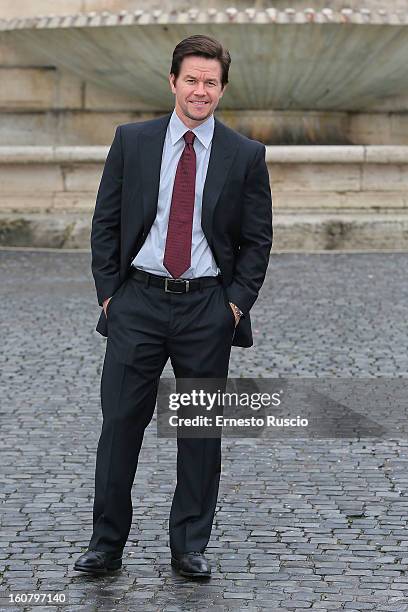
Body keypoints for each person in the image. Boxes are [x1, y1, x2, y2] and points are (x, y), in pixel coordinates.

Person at [74, 34, 273, 578]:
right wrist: (110, 295)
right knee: (120, 424)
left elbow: (257, 241)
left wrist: (233, 307)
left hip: (206, 307)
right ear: (173, 82)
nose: (200, 90)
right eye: (192, 80)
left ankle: (189, 546)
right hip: (137, 300)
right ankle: (106, 545)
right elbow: (106, 223)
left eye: (211, 82)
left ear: (222, 89)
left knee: (200, 432)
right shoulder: (132, 142)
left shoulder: (245, 155)